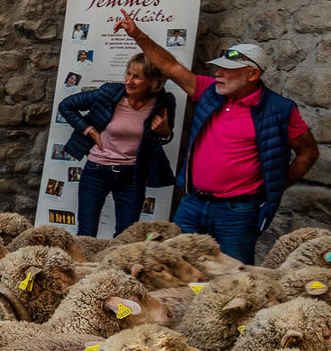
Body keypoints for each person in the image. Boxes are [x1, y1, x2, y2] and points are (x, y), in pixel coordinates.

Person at [113, 16, 320, 263]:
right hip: (193, 203)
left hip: (237, 211)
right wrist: (138, 35)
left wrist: (273, 186)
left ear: (253, 74)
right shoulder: (210, 91)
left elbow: (308, 152)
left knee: (233, 277)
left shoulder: (279, 109)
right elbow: (170, 67)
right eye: (218, 69)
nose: (218, 74)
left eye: (228, 70)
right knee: (175, 267)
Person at [56, 55, 177, 238]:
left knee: (127, 238)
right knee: (86, 235)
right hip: (96, 171)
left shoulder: (163, 102)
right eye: (128, 74)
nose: (129, 80)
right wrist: (89, 130)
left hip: (132, 177)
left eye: (136, 77)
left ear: (153, 82)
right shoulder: (109, 93)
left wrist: (165, 131)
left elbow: (164, 137)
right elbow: (66, 106)